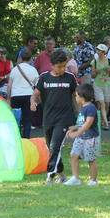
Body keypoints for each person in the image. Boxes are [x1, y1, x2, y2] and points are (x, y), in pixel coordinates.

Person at [31, 49, 77, 184]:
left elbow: (76, 97)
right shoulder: (44, 78)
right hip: (48, 119)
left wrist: (81, 115)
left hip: (64, 119)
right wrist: (33, 102)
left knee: (55, 146)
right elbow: (35, 94)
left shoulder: (70, 78)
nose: (62, 69)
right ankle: (62, 175)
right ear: (52, 65)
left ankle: (50, 176)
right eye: (59, 66)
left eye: (64, 66)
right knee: (52, 148)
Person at [63, 83, 100, 186]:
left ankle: (93, 180)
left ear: (81, 96)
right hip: (81, 137)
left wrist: (76, 133)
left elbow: (88, 123)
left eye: (76, 95)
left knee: (90, 159)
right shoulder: (83, 108)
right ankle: (76, 178)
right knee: (74, 155)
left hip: (90, 138)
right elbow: (82, 122)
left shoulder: (91, 107)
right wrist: (75, 127)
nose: (75, 98)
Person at [8, 51, 39, 138]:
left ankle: (16, 137)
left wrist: (8, 98)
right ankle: (26, 138)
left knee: (16, 118)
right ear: (31, 59)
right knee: (27, 119)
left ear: (21, 58)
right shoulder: (33, 70)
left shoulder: (15, 69)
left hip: (15, 96)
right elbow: (37, 85)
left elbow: (9, 85)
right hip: (28, 96)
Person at [90, 44, 110, 130]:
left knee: (106, 104)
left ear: (104, 52)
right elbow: (92, 76)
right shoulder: (94, 62)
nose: (98, 51)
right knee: (101, 103)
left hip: (108, 85)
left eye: (100, 50)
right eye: (97, 50)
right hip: (97, 85)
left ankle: (103, 120)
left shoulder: (109, 61)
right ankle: (106, 123)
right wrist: (96, 72)